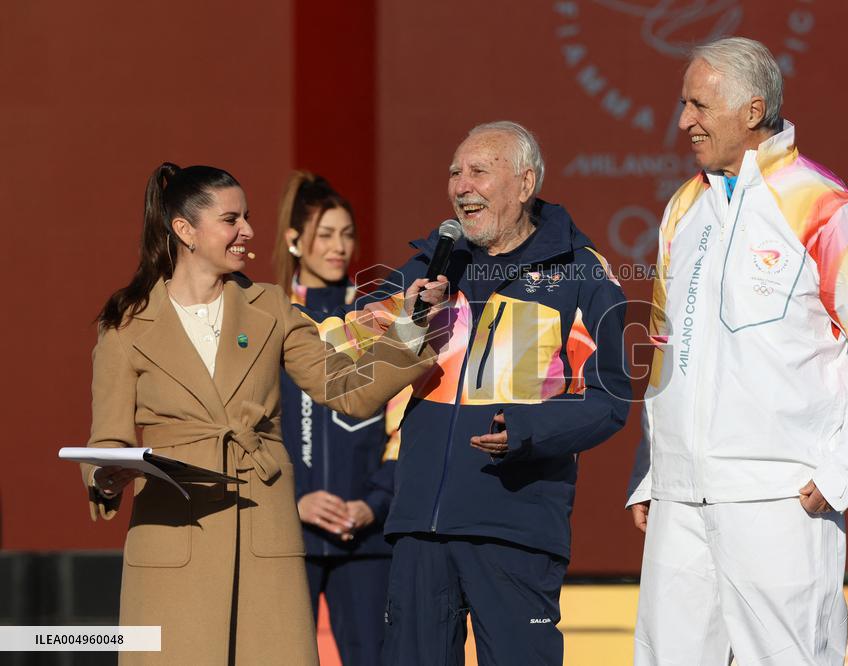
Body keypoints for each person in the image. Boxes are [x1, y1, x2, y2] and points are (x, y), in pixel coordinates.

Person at [81, 162, 447, 665]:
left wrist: (410, 327)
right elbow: (108, 440)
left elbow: (347, 388)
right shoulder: (125, 324)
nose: (249, 231)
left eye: (247, 217)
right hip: (171, 543)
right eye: (232, 219)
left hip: (263, 538)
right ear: (185, 231)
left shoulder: (270, 307)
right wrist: (106, 475)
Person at [626, 37, 848, 665]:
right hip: (681, 499)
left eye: (698, 105)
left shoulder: (823, 206)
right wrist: (654, 469)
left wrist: (840, 474)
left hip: (779, 498)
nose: (683, 122)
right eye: (683, 104)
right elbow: (665, 346)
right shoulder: (684, 207)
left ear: (752, 111)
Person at [326, 121, 630, 665]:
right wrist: (412, 320)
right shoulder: (424, 270)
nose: (461, 185)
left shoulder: (582, 274)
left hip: (514, 526)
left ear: (525, 182)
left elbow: (609, 397)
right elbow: (348, 369)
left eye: (479, 172)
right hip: (419, 526)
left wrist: (527, 431)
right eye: (454, 172)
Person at [273, 171, 404, 666]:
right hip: (289, 540)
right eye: (325, 235)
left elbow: (403, 420)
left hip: (366, 540)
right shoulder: (270, 315)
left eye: (347, 234)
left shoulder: (377, 313)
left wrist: (377, 501)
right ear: (292, 240)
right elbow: (256, 426)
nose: (339, 247)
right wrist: (294, 500)